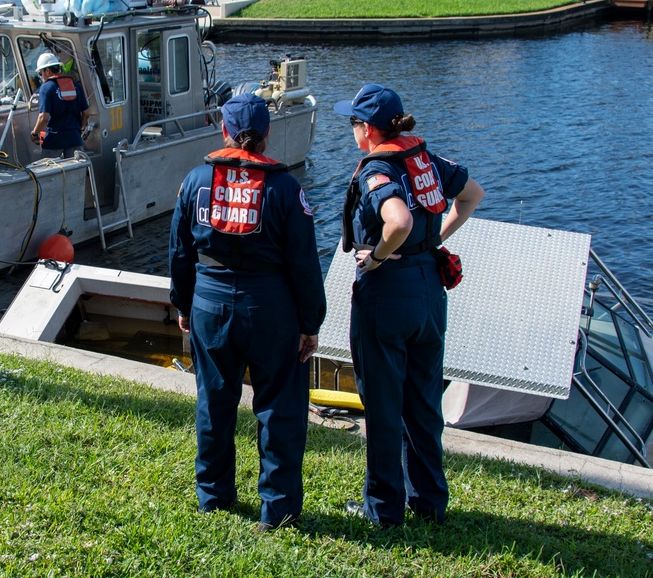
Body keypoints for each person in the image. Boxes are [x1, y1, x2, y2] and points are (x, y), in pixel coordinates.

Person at [168, 93, 326, 532]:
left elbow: (180, 253)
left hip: (210, 302)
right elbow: (304, 264)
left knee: (214, 401)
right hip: (272, 307)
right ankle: (277, 511)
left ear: (223, 131)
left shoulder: (195, 181)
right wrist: (310, 324)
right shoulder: (286, 189)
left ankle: (213, 497)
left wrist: (183, 303)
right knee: (278, 407)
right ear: (267, 134)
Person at [334, 84, 484, 527]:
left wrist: (378, 255)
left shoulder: (377, 169)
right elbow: (472, 194)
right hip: (429, 291)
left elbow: (396, 220)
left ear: (368, 129)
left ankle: (382, 510)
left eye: (354, 123)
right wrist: (432, 240)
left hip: (387, 294)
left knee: (382, 405)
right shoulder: (427, 161)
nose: (352, 131)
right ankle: (430, 501)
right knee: (423, 401)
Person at [30, 52, 92, 159]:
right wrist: (78, 129)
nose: (41, 76)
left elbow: (43, 117)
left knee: (49, 173)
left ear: (47, 71)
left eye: (41, 73)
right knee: (76, 173)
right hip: (74, 139)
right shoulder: (75, 85)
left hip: (54, 141)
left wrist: (34, 134)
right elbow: (86, 113)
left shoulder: (46, 87)